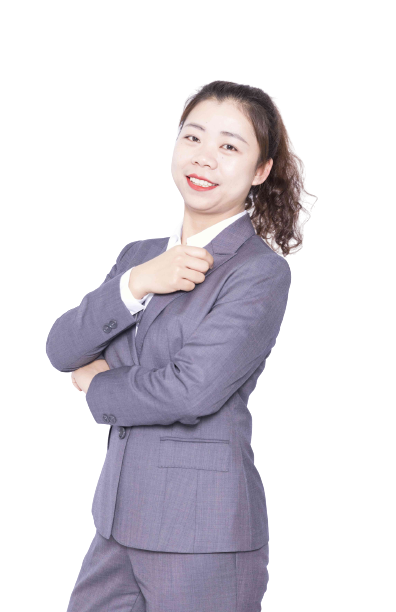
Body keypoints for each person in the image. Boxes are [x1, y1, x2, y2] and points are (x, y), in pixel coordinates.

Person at [47, 80, 305, 611]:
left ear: (260, 171)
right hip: (116, 523)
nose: (204, 157)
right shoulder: (137, 256)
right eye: (193, 137)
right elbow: (61, 349)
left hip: (201, 533)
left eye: (229, 145)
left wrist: (97, 383)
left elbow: (192, 390)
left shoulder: (258, 271)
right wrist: (138, 282)